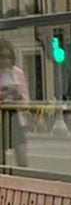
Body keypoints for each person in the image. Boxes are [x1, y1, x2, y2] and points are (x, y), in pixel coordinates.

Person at [0, 39, 30, 169]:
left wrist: (17, 95)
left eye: (8, 56)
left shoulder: (18, 73)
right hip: (1, 117)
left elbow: (26, 100)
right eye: (2, 57)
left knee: (22, 156)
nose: (6, 60)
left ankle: (25, 183)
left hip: (15, 117)